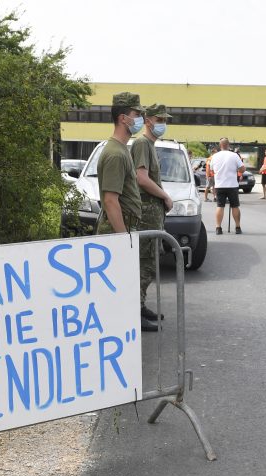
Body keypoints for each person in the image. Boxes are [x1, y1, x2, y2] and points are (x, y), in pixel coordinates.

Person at [94, 92, 149, 331]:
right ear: (124, 118)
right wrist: (122, 239)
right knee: (113, 289)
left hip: (124, 225)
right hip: (117, 228)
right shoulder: (115, 153)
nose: (141, 119)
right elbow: (110, 200)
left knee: (118, 287)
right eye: (137, 115)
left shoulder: (121, 149)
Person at [132, 103, 174, 330]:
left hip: (152, 214)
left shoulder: (149, 144)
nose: (163, 124)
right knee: (144, 264)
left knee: (149, 264)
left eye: (165, 120)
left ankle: (140, 306)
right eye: (159, 120)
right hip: (146, 213)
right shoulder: (141, 143)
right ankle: (134, 312)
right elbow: (141, 178)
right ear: (147, 121)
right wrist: (165, 196)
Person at [212, 138, 246, 234]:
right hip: (232, 185)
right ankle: (238, 227)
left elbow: (211, 169)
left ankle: (218, 228)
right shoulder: (234, 155)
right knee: (235, 206)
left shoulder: (215, 156)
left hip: (219, 185)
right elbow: (242, 169)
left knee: (220, 206)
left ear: (220, 145)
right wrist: (237, 169)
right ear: (228, 145)